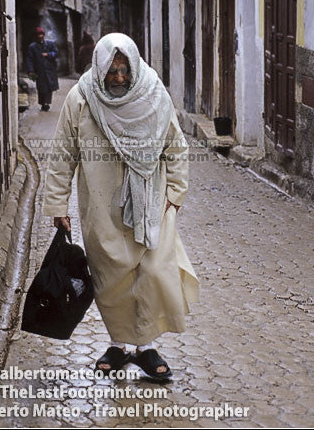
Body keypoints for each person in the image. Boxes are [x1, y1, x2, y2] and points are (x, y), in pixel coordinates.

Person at [42, 33, 199, 380]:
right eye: (111, 71)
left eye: (123, 70)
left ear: (134, 66)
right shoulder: (81, 99)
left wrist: (175, 194)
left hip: (152, 204)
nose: (118, 78)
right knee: (110, 280)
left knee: (154, 274)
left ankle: (146, 348)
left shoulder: (154, 94)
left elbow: (176, 147)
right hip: (101, 208)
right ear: (100, 68)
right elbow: (62, 154)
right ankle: (120, 345)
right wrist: (57, 205)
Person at [27, 27, 59, 111]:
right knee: (41, 88)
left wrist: (48, 54)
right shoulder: (32, 47)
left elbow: (55, 53)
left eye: (42, 34)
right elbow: (30, 59)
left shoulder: (50, 44)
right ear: (36, 36)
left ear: (44, 35)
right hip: (39, 71)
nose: (40, 36)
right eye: (39, 34)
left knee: (49, 87)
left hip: (49, 70)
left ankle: (47, 103)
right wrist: (31, 71)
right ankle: (42, 103)